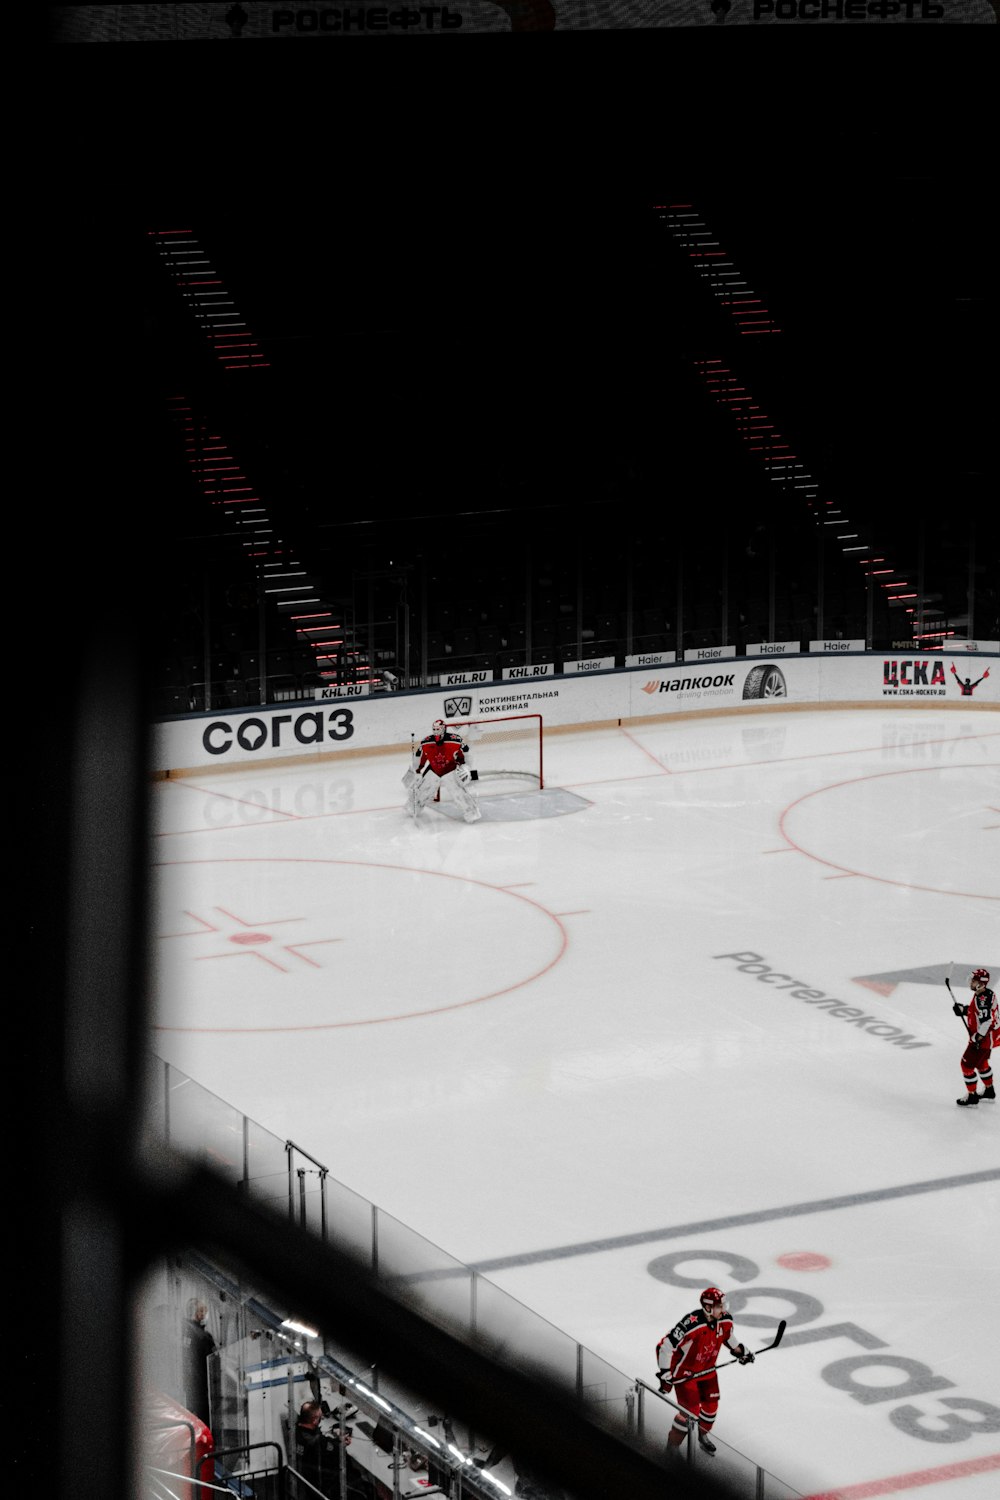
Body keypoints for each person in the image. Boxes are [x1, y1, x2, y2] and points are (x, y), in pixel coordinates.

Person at [656, 1287, 755, 1457]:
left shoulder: (725, 1320)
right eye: (719, 1306)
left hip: (707, 1370)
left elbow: (729, 1339)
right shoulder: (691, 1323)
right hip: (685, 1373)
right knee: (690, 1413)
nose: (723, 1310)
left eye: (723, 1305)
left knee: (711, 1408)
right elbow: (665, 1346)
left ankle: (703, 1435)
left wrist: (742, 1352)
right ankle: (672, 1446)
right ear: (708, 1308)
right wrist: (665, 1374)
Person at [402, 719, 481, 823]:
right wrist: (417, 770)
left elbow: (466, 753)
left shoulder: (455, 740)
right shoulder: (426, 741)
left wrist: (466, 766)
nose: (436, 732)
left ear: (444, 729)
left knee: (458, 793)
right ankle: (413, 806)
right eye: (434, 729)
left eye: (438, 729)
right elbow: (419, 756)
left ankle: (471, 812)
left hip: (450, 770)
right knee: (423, 790)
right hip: (433, 770)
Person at [954, 968, 998, 1107]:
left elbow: (987, 1020)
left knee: (966, 1065)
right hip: (989, 1038)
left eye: (974, 980)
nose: (970, 982)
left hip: (983, 1039)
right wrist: (964, 1010)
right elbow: (978, 1013)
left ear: (981, 984)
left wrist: (978, 1037)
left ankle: (972, 1096)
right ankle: (989, 1090)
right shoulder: (984, 994)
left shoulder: (983, 1000)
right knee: (981, 1063)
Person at [293, 1399, 354, 1498]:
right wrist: (342, 1443)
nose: (322, 1418)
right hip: (322, 1481)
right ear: (314, 1420)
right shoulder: (315, 1441)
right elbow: (334, 1450)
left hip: (307, 1476)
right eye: (320, 1417)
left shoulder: (297, 1431)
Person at [181, 1299, 217, 1428]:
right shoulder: (195, 1332)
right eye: (203, 1311)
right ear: (197, 1313)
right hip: (199, 1386)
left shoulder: (203, 1334)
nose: (205, 1314)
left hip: (202, 1385)